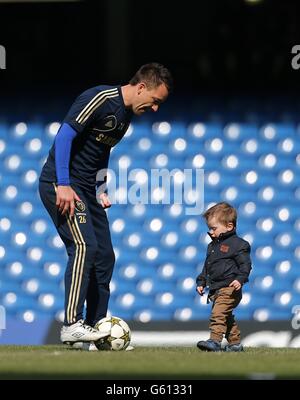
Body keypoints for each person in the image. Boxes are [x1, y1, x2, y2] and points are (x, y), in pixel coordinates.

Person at [39, 63, 173, 344]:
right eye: (156, 101)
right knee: (84, 245)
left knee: (105, 257)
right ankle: (71, 324)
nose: (156, 109)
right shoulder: (100, 98)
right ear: (140, 87)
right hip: (62, 184)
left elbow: (101, 151)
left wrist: (101, 188)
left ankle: (95, 327)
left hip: (88, 191)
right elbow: (64, 135)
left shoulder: (125, 117)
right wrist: (63, 184)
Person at [196, 202, 252, 352]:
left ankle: (214, 341)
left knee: (218, 314)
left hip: (229, 287)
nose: (211, 232)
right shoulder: (212, 246)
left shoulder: (239, 245)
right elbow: (207, 266)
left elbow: (245, 265)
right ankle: (235, 344)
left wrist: (240, 279)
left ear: (229, 226)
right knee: (226, 317)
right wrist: (201, 281)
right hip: (215, 289)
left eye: (213, 229)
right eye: (209, 229)